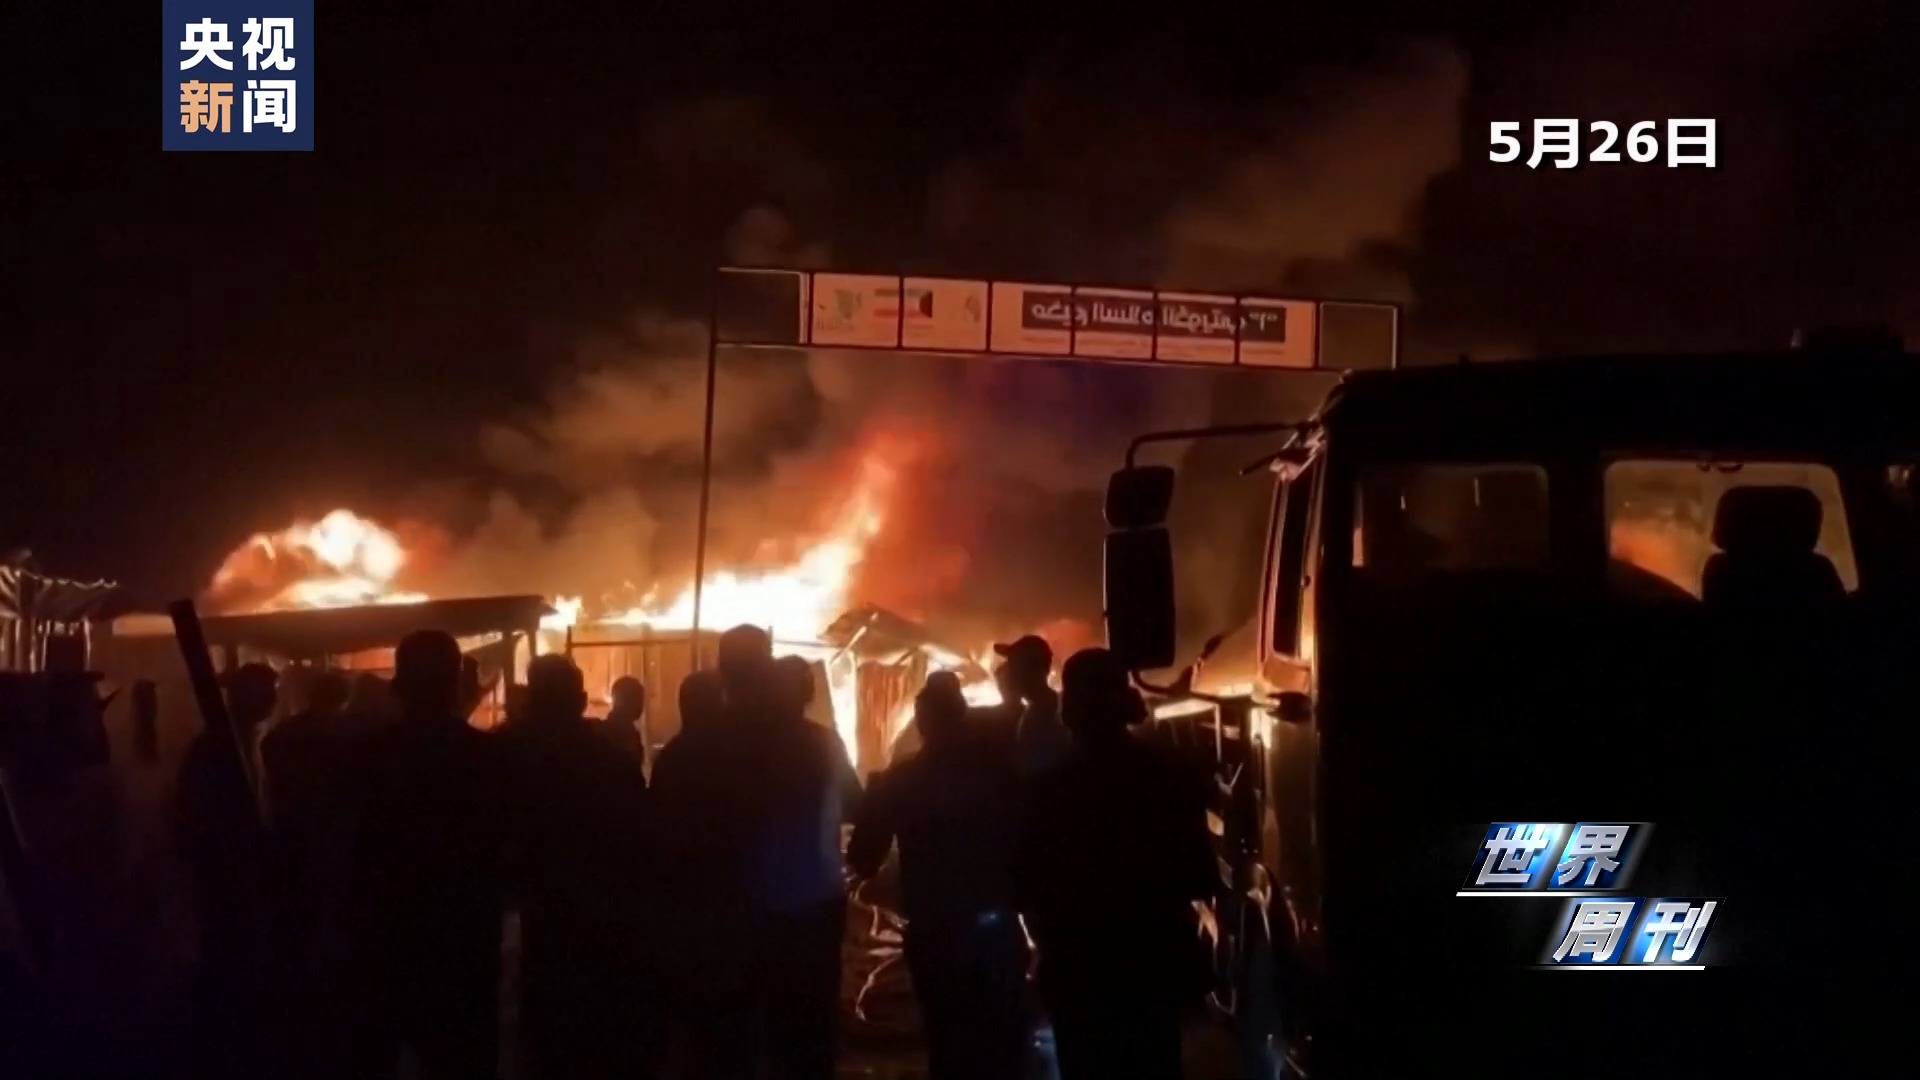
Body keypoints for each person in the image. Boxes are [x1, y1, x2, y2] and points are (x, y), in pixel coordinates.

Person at [1019, 648, 1215, 1080]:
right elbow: (1198, 876)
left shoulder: (1046, 795)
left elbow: (1025, 889)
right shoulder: (1169, 779)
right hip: (1152, 974)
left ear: (1070, 711)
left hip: (1080, 980)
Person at [848, 672, 1029, 1080]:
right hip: (994, 925)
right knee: (1004, 1043)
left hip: (935, 932)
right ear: (962, 715)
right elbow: (1029, 842)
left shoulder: (900, 781)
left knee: (947, 1042)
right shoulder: (1000, 775)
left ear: (921, 722)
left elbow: (864, 858)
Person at [348, 631, 509, 1080]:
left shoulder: (366, 759)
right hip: (463, 948)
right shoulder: (487, 759)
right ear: (455, 685)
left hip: (387, 945)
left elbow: (350, 852)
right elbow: (507, 847)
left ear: (398, 686)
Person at [497, 655, 655, 1080]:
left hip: (531, 913)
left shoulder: (499, 756)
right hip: (598, 916)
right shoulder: (610, 761)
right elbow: (640, 840)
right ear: (582, 701)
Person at [171, 662, 274, 1080]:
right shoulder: (217, 748)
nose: (272, 699)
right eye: (264, 689)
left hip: (238, 884)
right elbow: (195, 820)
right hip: (224, 886)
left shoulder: (242, 741)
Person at [996, 635, 1069, 775]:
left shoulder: (1053, 715)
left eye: (1013, 665)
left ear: (1036, 671)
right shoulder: (1034, 709)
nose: (1007, 671)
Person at [599, 675, 649, 772]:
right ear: (622, 700)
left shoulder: (632, 734)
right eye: (637, 698)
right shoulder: (607, 736)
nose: (641, 705)